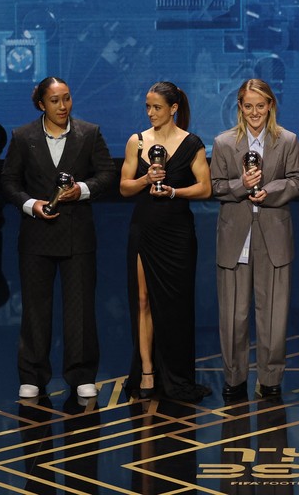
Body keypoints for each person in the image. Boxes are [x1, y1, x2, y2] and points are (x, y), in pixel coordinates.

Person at [1, 77, 116, 400]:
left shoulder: (89, 133)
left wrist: (82, 191)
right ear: (41, 104)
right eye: (55, 101)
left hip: (77, 235)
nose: (63, 106)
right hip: (36, 236)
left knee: (80, 309)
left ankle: (81, 374)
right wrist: (31, 204)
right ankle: (33, 375)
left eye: (67, 99)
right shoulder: (23, 137)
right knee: (35, 309)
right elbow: (9, 181)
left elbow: (107, 174)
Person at [211, 79, 299, 401]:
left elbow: (297, 181)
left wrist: (271, 190)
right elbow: (217, 187)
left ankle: (271, 378)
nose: (254, 112)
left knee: (273, 315)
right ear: (240, 107)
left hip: (274, 237)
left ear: (270, 107)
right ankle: (234, 377)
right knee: (234, 316)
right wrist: (241, 184)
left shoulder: (287, 140)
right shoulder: (224, 143)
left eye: (260, 106)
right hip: (236, 238)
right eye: (248, 106)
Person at [119, 81, 213, 402]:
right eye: (147, 106)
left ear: (173, 109)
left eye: (156, 107)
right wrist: (146, 179)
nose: (150, 113)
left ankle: (176, 375)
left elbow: (205, 188)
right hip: (144, 230)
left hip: (177, 234)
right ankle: (147, 372)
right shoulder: (138, 141)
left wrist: (174, 191)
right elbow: (124, 187)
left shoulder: (192, 143)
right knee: (143, 301)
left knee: (176, 307)